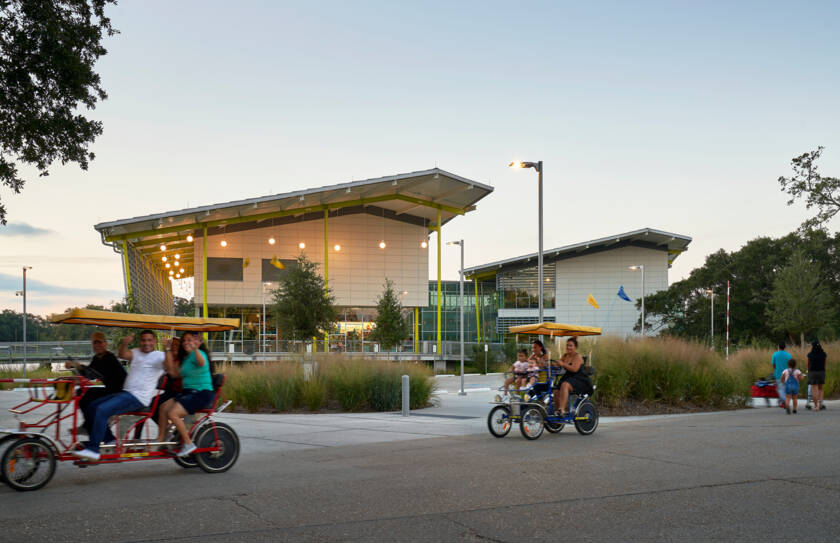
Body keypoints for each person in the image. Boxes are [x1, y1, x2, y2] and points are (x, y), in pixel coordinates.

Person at [71, 330, 166, 461]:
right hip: (126, 393)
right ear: (140, 341)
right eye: (144, 340)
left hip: (137, 397)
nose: (146, 343)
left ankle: (93, 449)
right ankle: (109, 439)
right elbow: (122, 354)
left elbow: (170, 366)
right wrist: (125, 343)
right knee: (92, 405)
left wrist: (168, 349)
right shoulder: (137, 352)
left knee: (101, 410)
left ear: (155, 341)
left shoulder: (160, 355)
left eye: (149, 340)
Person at [155, 331, 215, 457]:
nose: (185, 343)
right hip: (188, 392)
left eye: (189, 340)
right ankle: (160, 440)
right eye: (184, 341)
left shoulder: (199, 354)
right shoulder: (187, 359)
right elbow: (173, 373)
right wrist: (167, 349)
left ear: (196, 341)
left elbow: (201, 363)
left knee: (173, 413)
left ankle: (188, 444)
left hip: (201, 393)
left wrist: (196, 349)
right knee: (163, 408)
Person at [66, 331, 126, 435]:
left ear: (105, 344)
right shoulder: (97, 358)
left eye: (100, 342)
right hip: (110, 390)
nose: (97, 346)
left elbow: (92, 374)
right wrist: (74, 371)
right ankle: (88, 425)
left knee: (84, 395)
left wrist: (75, 365)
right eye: (95, 343)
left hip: (118, 392)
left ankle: (90, 427)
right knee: (81, 392)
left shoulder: (109, 358)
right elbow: (88, 373)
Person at [553, 337, 593, 416]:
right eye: (567, 345)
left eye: (570, 346)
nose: (568, 347)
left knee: (565, 385)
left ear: (575, 347)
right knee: (555, 390)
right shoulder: (565, 356)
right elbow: (558, 364)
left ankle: (562, 410)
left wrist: (563, 364)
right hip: (568, 378)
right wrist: (552, 364)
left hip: (579, 379)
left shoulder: (577, 356)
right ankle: (558, 411)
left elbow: (575, 369)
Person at [807, 340, 827, 411]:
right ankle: (821, 404)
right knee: (821, 389)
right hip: (821, 372)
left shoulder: (810, 354)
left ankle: (816, 406)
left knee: (814, 390)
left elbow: (808, 364)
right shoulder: (824, 354)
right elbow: (825, 364)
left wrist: (808, 370)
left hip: (812, 372)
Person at [771, 343, 792, 409]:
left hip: (778, 374)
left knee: (780, 389)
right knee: (785, 389)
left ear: (778, 347)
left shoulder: (775, 354)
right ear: (784, 347)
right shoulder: (788, 355)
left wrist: (776, 369)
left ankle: (785, 401)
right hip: (787, 374)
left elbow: (773, 365)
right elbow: (791, 365)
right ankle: (784, 402)